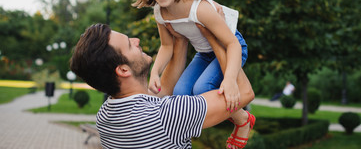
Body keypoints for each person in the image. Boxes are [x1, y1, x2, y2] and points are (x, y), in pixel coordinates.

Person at [132, 0, 253, 148]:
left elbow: (232, 44)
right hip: (205, 53)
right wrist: (155, 72)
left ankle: (243, 120)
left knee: (201, 89)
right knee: (179, 94)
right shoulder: (160, 12)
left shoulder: (200, 8)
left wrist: (230, 79)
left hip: (231, 47)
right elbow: (166, 46)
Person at [70, 23, 255, 149]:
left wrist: (180, 40)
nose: (136, 41)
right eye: (129, 44)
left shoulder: (106, 117)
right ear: (123, 70)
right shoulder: (166, 116)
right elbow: (244, 93)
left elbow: (163, 90)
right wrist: (217, 37)